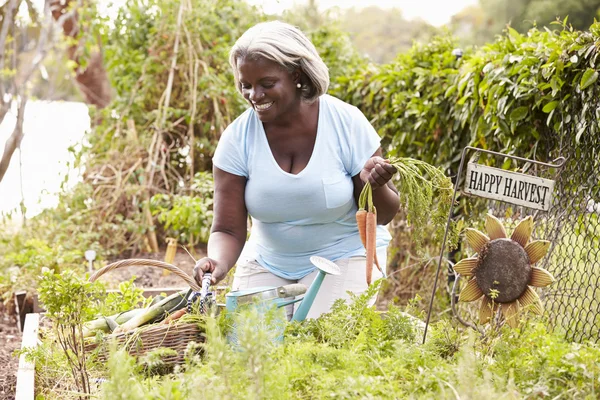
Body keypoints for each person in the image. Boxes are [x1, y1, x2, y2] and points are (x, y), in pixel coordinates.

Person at [193, 21, 400, 319]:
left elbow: (386, 214)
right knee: (252, 347)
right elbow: (227, 227)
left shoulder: (346, 123)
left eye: (266, 84)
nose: (254, 95)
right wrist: (218, 262)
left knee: (317, 343)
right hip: (268, 261)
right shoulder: (237, 139)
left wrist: (375, 185)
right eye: (245, 85)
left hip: (343, 256)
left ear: (297, 75)